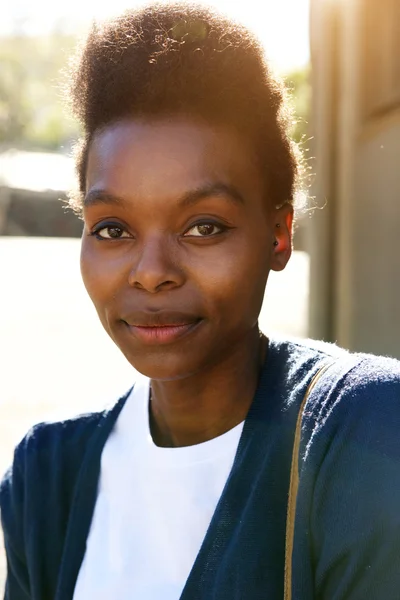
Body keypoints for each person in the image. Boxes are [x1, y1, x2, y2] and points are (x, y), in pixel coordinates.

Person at [1, 2, 400, 599]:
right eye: (113, 229)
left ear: (278, 234)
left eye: (203, 226)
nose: (152, 273)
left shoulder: (362, 432)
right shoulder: (46, 475)